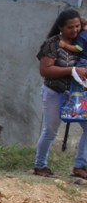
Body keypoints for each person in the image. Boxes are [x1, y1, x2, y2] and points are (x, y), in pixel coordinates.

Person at [33, 9, 87, 178]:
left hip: (76, 94)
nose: (75, 30)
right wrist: (72, 70)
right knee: (50, 130)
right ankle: (40, 165)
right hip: (55, 92)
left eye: (77, 26)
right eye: (70, 27)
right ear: (61, 27)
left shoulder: (81, 42)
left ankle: (80, 166)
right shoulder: (53, 43)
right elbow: (45, 70)